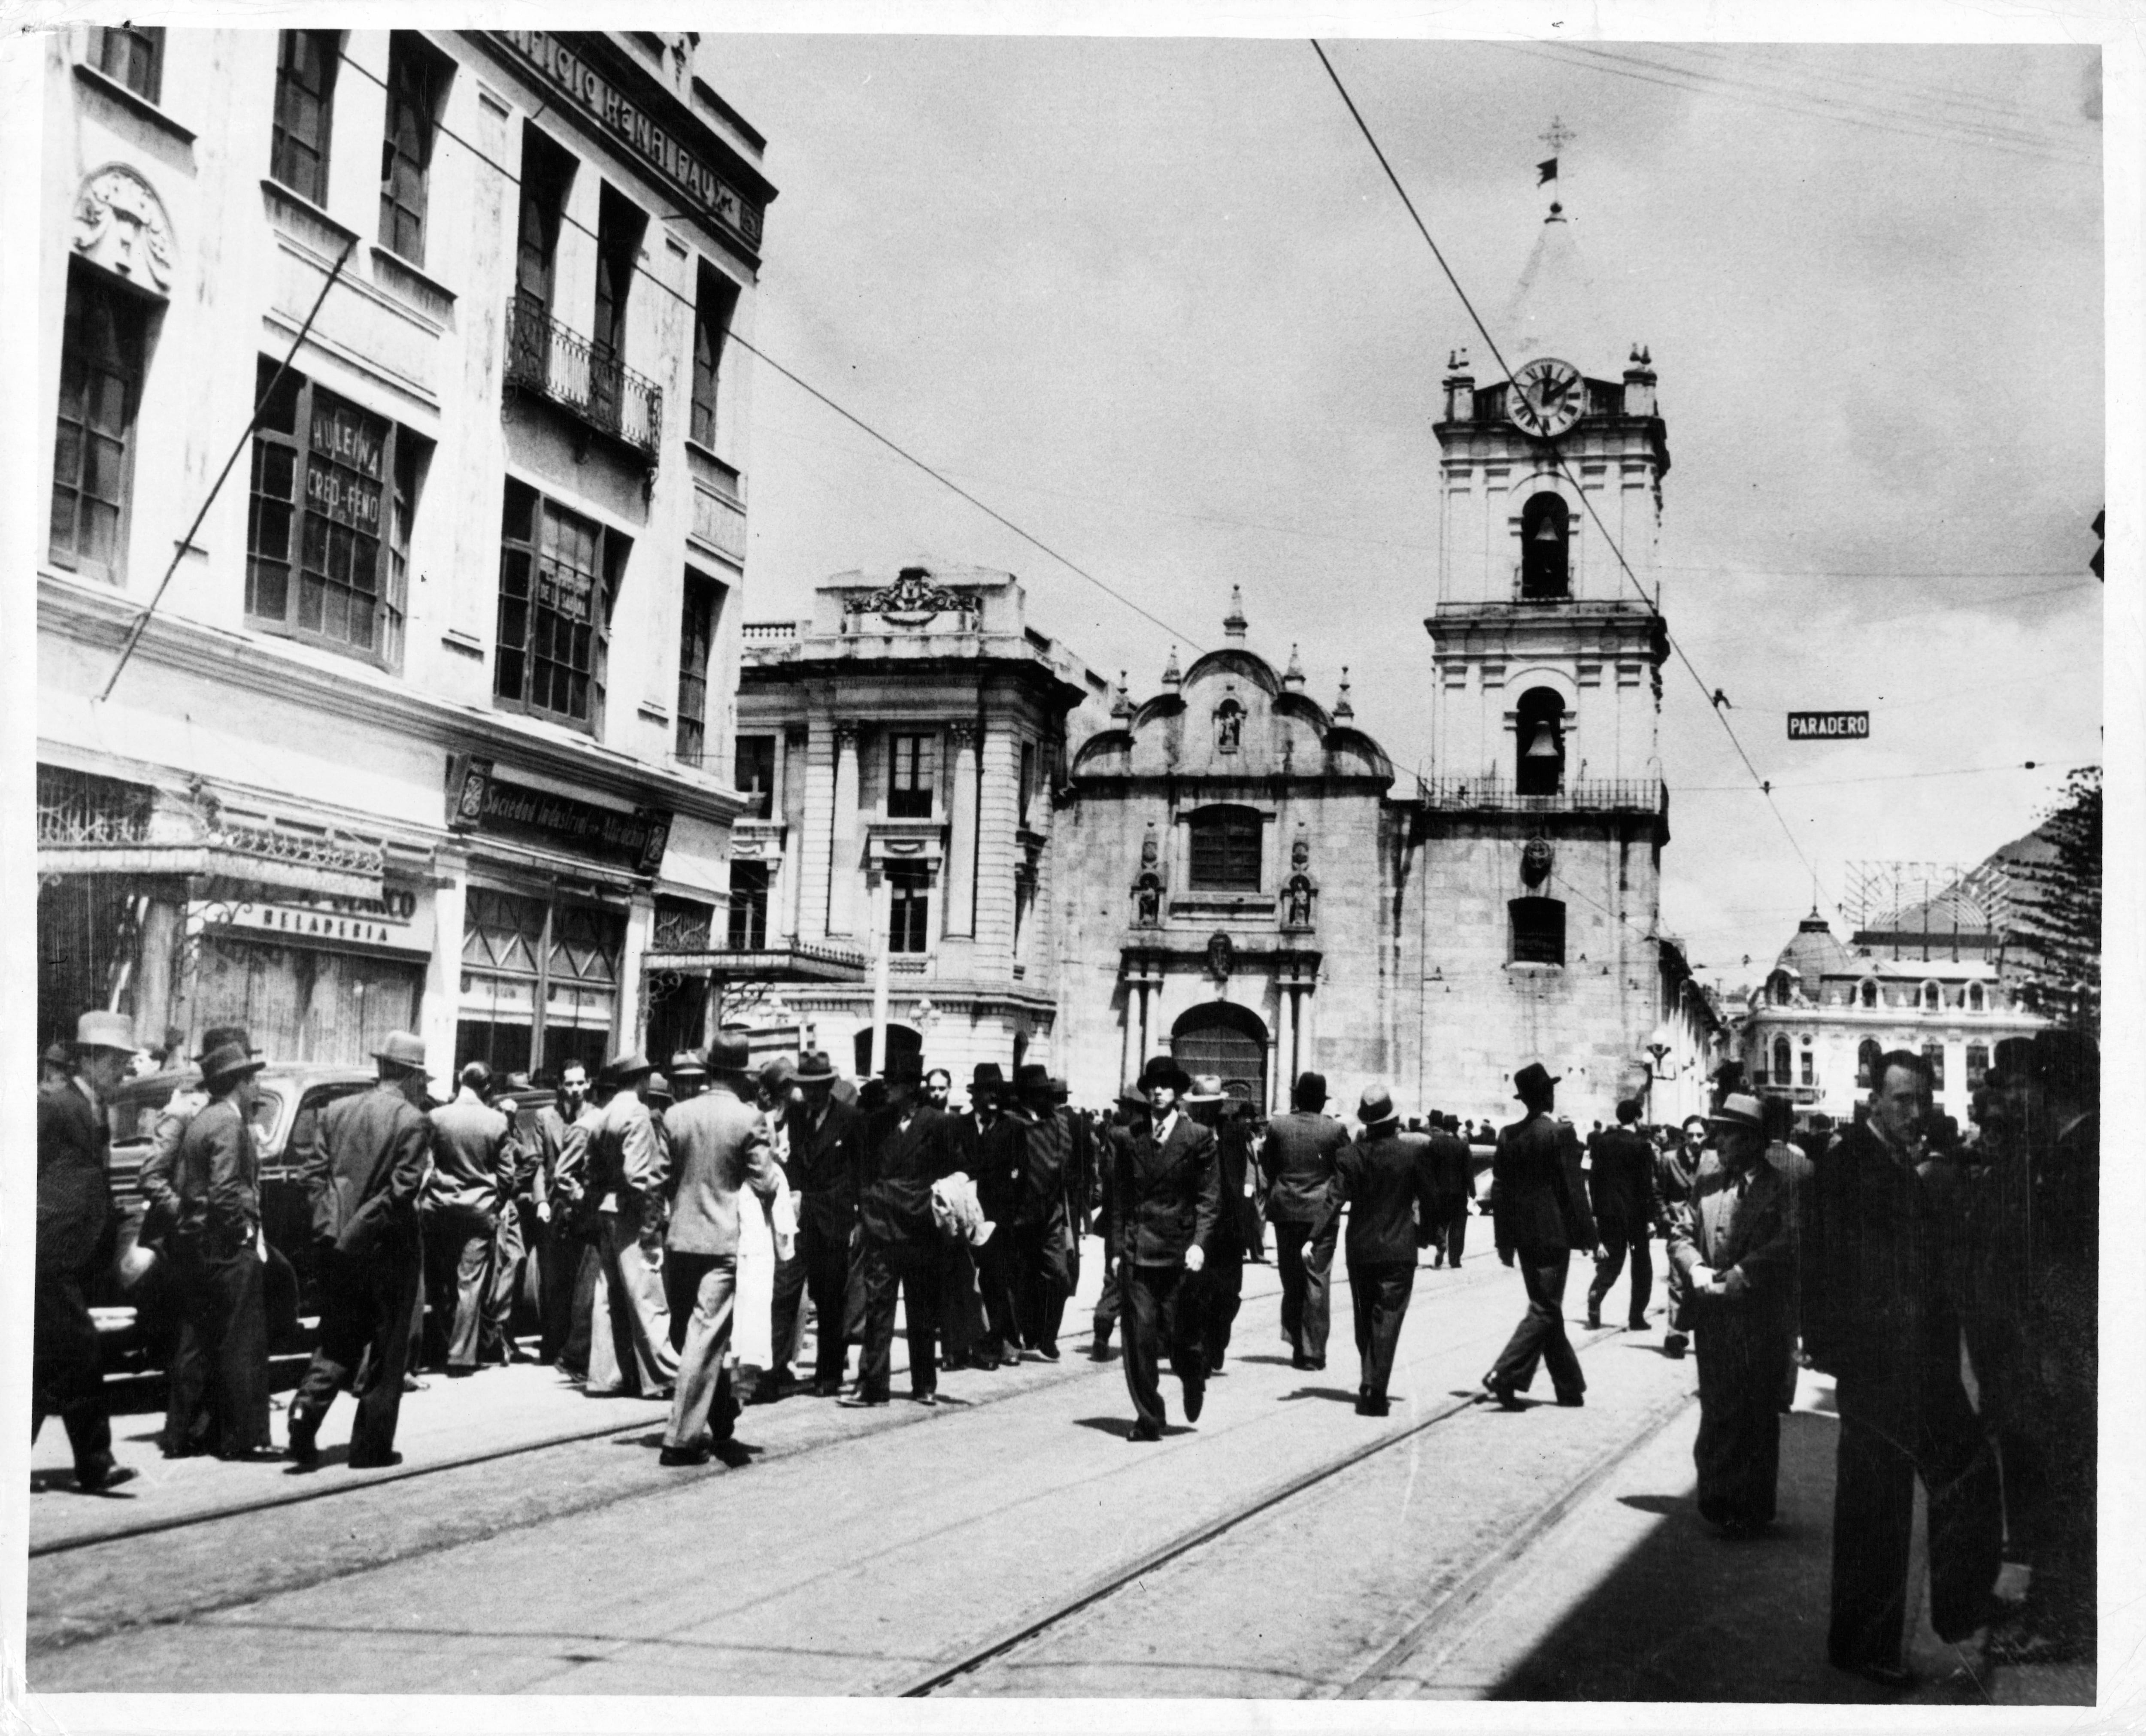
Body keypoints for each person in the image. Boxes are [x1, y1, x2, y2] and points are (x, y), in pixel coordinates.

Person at [1802, 1050, 2004, 1689]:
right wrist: (1840, 1354)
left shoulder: (1898, 1165)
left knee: (1957, 1472)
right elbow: (1825, 1270)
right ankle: (1869, 1643)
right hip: (1879, 1369)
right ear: (1874, 1101)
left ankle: (1953, 1610)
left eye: (1922, 1100)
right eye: (1902, 1101)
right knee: (1877, 1508)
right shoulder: (1848, 1167)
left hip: (1916, 1365)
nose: (1915, 1113)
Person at [1982, 1030, 2098, 1667]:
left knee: (2068, 1494)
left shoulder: (2081, 1152)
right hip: (2058, 1357)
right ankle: (2053, 1612)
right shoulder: (2065, 1147)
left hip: (2069, 1362)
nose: (2016, 1097)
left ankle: (2060, 1623)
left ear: (2052, 1089)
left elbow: (2072, 1271)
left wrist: (2054, 1355)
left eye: (2027, 1086)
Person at [287, 1033, 434, 1469]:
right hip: (388, 1250)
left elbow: (312, 1176)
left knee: (337, 1336)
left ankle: (305, 1409)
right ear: (409, 1076)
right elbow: (400, 1192)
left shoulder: (336, 1111)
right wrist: (358, 1231)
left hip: (337, 1247)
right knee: (388, 1349)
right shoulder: (414, 1121)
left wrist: (332, 1227)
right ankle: (370, 1448)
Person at [1667, 1093, 1800, 1536]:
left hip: (1759, 1315)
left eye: (1724, 1133)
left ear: (1749, 1140)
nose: (1716, 1140)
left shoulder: (1781, 1185)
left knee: (1756, 1412)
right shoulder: (1707, 1182)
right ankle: (1718, 1500)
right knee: (1718, 1406)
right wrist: (1695, 1267)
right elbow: (1680, 1233)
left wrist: (1747, 1269)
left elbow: (1791, 1240)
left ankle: (1752, 1506)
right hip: (1713, 1315)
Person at [658, 1035, 792, 1465]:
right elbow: (764, 1181)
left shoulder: (676, 1114)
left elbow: (656, 1178)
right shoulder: (748, 1119)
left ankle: (718, 1416)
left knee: (689, 1335)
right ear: (741, 1075)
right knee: (705, 1337)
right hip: (723, 1243)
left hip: (679, 1239)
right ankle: (680, 1439)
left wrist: (651, 1230)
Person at [34, 1012, 140, 1494]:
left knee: (44, 1366)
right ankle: (96, 1464)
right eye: (118, 1061)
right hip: (48, 1250)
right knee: (80, 1354)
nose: (124, 1071)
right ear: (93, 1059)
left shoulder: (94, 1108)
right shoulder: (58, 1106)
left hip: (68, 1253)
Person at [159, 1035, 273, 1459]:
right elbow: (226, 1189)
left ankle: (181, 1434)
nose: (258, 1089)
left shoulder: (203, 1119)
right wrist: (242, 1234)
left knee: (195, 1341)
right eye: (253, 1081)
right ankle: (237, 1439)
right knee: (240, 1340)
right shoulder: (227, 1123)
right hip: (224, 1246)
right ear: (239, 1083)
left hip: (195, 1244)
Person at [1303, 1086, 1440, 1415]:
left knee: (1365, 1319)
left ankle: (1370, 1376)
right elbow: (1432, 1198)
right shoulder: (1412, 1154)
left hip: (1361, 1249)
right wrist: (1426, 1235)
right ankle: (1375, 1387)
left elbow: (1333, 1198)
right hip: (1399, 1248)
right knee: (1388, 1317)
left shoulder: (1350, 1156)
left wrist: (1313, 1237)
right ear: (1394, 1121)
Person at [1115, 1057, 1221, 1442]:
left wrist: (1199, 1244)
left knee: (1180, 1335)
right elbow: (1120, 1198)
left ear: (1177, 1093)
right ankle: (1149, 1417)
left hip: (1179, 1252)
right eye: (1152, 1085)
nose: (1158, 1091)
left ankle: (1193, 1374)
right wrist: (1116, 1248)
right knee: (1139, 1337)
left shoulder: (1197, 1137)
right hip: (1139, 1250)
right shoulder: (1130, 1137)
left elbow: (1210, 1199)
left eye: (1165, 1085)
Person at [848, 1054, 961, 1407]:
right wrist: (866, 1206)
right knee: (879, 1306)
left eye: (895, 1083)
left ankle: (924, 1382)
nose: (888, 1088)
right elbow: (862, 1167)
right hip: (881, 1224)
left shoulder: (938, 1123)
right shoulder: (877, 1122)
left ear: (912, 1088)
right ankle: (873, 1385)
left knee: (921, 1309)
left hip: (920, 1227)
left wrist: (934, 1200)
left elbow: (954, 1170)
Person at [1483, 1062, 1596, 1409]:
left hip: (1522, 1235)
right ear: (1548, 1095)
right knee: (1546, 1308)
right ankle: (1504, 1372)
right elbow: (1573, 1190)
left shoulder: (1507, 1135)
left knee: (1547, 1308)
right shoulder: (1559, 1134)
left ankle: (1568, 1387)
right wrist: (1591, 1238)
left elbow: (1498, 1191)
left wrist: (1504, 1241)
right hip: (1553, 1234)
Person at [767, 1050, 862, 1399]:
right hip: (800, 1219)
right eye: (805, 1087)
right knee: (785, 1293)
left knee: (830, 1300)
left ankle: (829, 1373)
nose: (811, 1094)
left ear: (828, 1085)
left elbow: (859, 1171)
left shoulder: (849, 1118)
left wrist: (857, 1219)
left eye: (817, 1087)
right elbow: (795, 1164)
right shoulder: (796, 1114)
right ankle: (774, 1372)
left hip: (834, 1221)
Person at [585, 1054, 677, 1399]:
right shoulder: (637, 1112)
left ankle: (605, 1375)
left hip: (607, 1210)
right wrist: (650, 1220)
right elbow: (640, 1176)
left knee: (608, 1295)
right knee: (646, 1293)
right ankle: (663, 1374)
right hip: (631, 1213)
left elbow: (591, 1168)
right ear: (641, 1080)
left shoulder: (604, 1113)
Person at [424, 1062, 518, 1376]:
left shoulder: (437, 1117)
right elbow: (507, 1174)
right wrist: (495, 1204)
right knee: (470, 1284)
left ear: (460, 1081)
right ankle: (461, 1355)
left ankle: (443, 1342)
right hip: (478, 1212)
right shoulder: (496, 1122)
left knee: (442, 1282)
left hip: (439, 1210)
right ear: (488, 1087)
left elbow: (426, 1162)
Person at [1258, 1071, 1349, 1371]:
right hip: (1321, 1215)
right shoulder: (1334, 1130)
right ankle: (1313, 1351)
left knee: (1292, 1278)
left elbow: (1268, 1165)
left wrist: (1285, 1187)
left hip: (1286, 1212)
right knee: (1317, 1279)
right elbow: (1344, 1170)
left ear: (1297, 1098)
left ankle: (1298, 1342)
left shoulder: (1278, 1126)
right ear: (1321, 1101)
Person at [953, 1062, 1027, 1367]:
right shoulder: (960, 1126)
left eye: (998, 1092)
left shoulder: (1013, 1128)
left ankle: (995, 1344)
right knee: (965, 1283)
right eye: (987, 1092)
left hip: (998, 1220)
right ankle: (966, 1344)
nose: (993, 1098)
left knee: (996, 1283)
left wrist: (1006, 1216)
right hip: (964, 1217)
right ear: (976, 1095)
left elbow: (1022, 1176)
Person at [1009, 1064, 1078, 1361]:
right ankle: (1024, 1335)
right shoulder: (1011, 1123)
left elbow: (1066, 1160)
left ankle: (1048, 1336)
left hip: (1051, 1214)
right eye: (1041, 1094)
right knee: (1020, 1280)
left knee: (1060, 1276)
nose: (1048, 1099)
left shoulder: (1059, 1123)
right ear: (1028, 1096)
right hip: (1017, 1215)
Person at [1182, 1075, 1250, 1373]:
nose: (1206, 1110)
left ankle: (1217, 1342)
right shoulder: (1185, 1135)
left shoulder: (1234, 1132)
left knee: (1228, 1294)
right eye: (1201, 1105)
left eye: (1212, 1105)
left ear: (1221, 1104)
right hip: (1196, 1228)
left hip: (1230, 1228)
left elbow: (1239, 1176)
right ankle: (1201, 1351)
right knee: (1197, 1294)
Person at [530, 1061, 594, 1367]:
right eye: (569, 1084)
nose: (575, 1090)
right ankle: (551, 1344)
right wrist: (540, 1200)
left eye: (580, 1083)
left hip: (583, 1207)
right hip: (554, 1208)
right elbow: (539, 1163)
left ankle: (575, 1349)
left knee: (581, 1279)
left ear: (589, 1084)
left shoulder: (596, 1117)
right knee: (552, 1279)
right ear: (560, 1086)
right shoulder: (545, 1116)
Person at [1585, 1099, 1657, 1331]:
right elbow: (1647, 1186)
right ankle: (1636, 1317)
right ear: (1637, 1118)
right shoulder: (1642, 1146)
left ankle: (1598, 1290)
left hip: (1609, 1217)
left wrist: (1596, 1212)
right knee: (1640, 1264)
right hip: (1635, 1221)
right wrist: (1650, 1219)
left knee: (1613, 1259)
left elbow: (1594, 1180)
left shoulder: (1603, 1143)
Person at [1090, 1086, 1149, 1357]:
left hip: (1117, 1213)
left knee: (1114, 1273)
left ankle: (1103, 1330)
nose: (1120, 1111)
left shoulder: (1116, 1134)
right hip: (1144, 1215)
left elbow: (1107, 1172)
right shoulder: (1149, 1135)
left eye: (1124, 1107)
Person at [1652, 1121, 1702, 1358]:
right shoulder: (1669, 1159)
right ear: (1683, 1136)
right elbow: (1658, 1193)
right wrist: (1665, 1215)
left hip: (1704, 1227)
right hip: (1678, 1226)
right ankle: (1675, 1335)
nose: (1695, 1140)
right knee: (1677, 1279)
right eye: (1691, 1135)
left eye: (1700, 1135)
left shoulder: (1713, 1159)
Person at [1425, 1112, 1476, 1268]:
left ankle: (1441, 1245)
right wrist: (1472, 1190)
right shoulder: (1462, 1146)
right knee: (1458, 1225)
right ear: (1456, 1128)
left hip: (1439, 1192)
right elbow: (1468, 1170)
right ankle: (1455, 1259)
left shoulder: (1434, 1144)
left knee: (1441, 1221)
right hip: (1459, 1193)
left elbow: (1429, 1170)